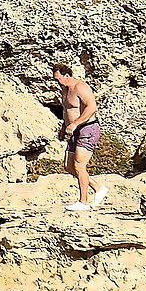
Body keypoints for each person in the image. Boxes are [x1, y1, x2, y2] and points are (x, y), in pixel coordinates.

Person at [52, 61, 105, 210]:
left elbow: (92, 107)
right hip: (73, 131)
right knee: (69, 166)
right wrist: (64, 128)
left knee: (79, 165)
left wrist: (75, 123)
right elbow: (67, 111)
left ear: (67, 75)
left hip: (87, 128)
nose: (57, 82)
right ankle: (98, 188)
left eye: (58, 79)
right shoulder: (64, 90)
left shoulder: (80, 87)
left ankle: (84, 202)